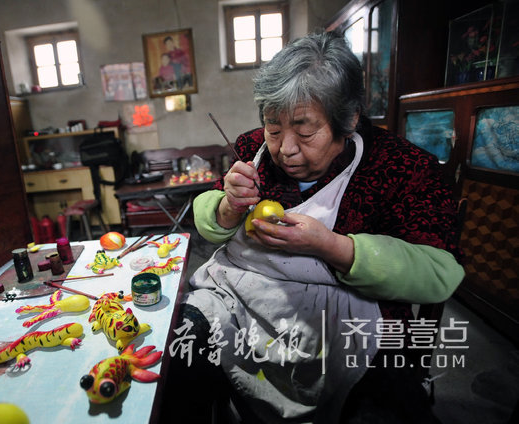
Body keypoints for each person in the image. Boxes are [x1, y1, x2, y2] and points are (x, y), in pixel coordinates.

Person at [159, 31, 464, 424]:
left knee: (383, 404)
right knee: (178, 359)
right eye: (273, 128)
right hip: (236, 301)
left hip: (350, 320)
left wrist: (332, 247)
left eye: (305, 132)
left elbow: (439, 275)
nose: (285, 149)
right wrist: (228, 206)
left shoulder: (401, 167)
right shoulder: (250, 150)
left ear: (349, 119)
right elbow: (208, 218)